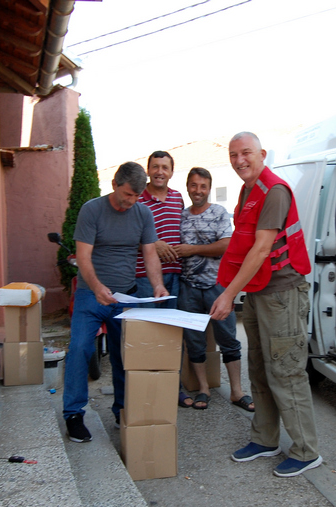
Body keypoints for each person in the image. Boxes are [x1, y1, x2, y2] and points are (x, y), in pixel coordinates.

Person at [210, 132, 321, 478]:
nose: (239, 160)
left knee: (286, 371)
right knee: (259, 366)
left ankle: (305, 451)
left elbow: (260, 250)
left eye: (246, 153)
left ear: (262, 154)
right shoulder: (248, 190)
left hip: (282, 294)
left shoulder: (273, 191)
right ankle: (265, 439)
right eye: (233, 155)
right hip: (260, 292)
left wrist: (228, 294)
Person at [63, 162, 168, 442]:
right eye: (126, 196)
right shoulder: (92, 210)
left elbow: (149, 254)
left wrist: (157, 284)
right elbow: (83, 257)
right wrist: (97, 287)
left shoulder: (142, 213)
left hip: (127, 296)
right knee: (79, 348)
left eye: (135, 196)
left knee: (127, 357)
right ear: (113, 185)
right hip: (90, 295)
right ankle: (73, 413)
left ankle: (122, 410)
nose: (130, 202)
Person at [173, 167, 254, 412]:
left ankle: (237, 391)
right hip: (188, 288)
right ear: (188, 186)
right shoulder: (181, 215)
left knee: (228, 339)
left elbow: (227, 245)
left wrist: (192, 249)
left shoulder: (218, 213)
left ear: (209, 188)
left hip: (218, 287)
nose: (198, 190)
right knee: (194, 342)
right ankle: (203, 389)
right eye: (194, 185)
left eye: (203, 186)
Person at [133, 150, 193, 407]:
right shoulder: (136, 199)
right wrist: (152, 244)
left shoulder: (178, 198)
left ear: (171, 171)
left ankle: (173, 387)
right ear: (148, 170)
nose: (160, 171)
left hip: (174, 277)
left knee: (171, 334)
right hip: (145, 277)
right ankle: (146, 389)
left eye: (165, 167)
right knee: (146, 334)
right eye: (155, 167)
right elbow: (126, 234)